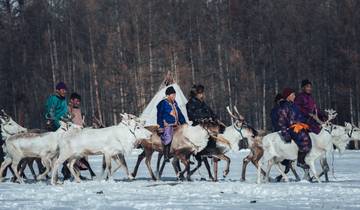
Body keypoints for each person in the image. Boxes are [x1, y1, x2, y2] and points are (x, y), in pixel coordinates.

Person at [276, 88, 311, 169]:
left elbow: (300, 116)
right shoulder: (284, 107)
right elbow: (282, 122)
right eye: (293, 95)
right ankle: (300, 161)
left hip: (299, 126)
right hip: (291, 129)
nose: (295, 96)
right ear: (288, 97)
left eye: (294, 94)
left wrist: (306, 120)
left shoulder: (295, 106)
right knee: (305, 139)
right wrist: (285, 134)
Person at [44, 82, 70, 179]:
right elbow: (51, 112)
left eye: (65, 90)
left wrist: (68, 118)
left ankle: (66, 169)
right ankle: (46, 168)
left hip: (64, 124)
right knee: (55, 149)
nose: (64, 91)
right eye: (62, 90)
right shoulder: (54, 98)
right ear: (58, 90)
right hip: (56, 125)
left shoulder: (63, 99)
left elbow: (65, 111)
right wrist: (58, 125)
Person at [157, 86, 186, 162]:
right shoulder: (163, 103)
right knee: (168, 136)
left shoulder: (174, 103)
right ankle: (166, 155)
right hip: (167, 124)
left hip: (176, 124)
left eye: (175, 95)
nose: (174, 96)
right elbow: (159, 115)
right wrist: (161, 125)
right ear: (168, 95)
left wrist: (184, 123)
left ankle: (184, 155)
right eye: (173, 95)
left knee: (183, 135)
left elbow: (179, 113)